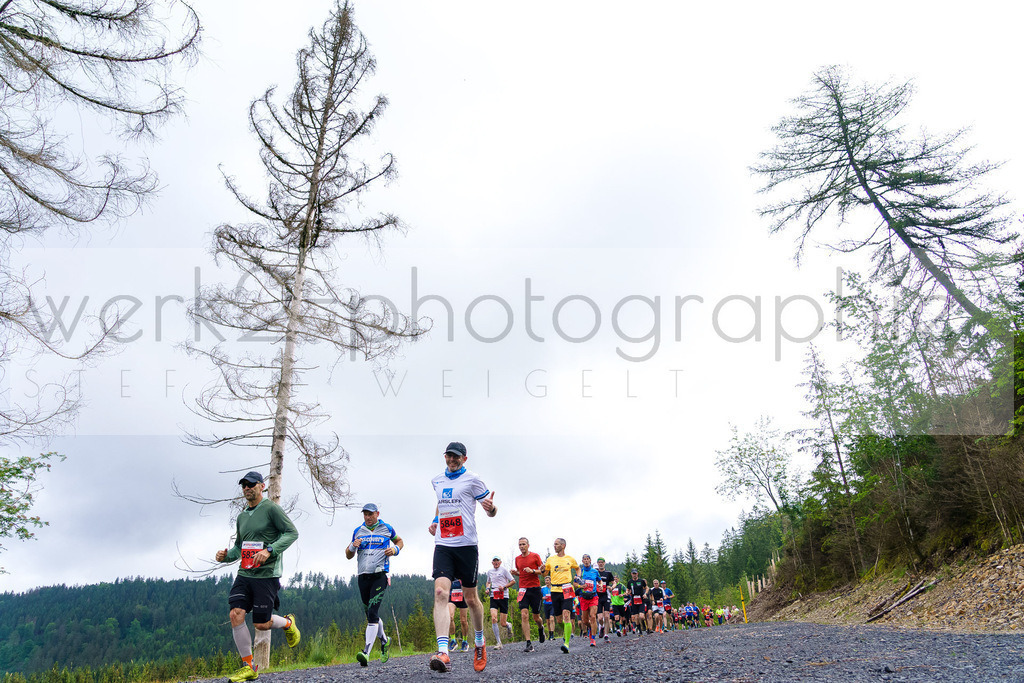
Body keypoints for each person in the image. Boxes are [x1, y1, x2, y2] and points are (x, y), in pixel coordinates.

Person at [215, 471, 301, 682]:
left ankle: (288, 623)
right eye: (244, 485)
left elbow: (292, 533)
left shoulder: (271, 508)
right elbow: (239, 547)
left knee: (261, 624)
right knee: (236, 614)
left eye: (251, 484)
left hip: (267, 574)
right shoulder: (242, 516)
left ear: (261, 486)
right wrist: (225, 557)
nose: (247, 488)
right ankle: (249, 666)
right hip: (245, 573)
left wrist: (269, 550)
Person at [427, 441, 496, 673]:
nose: (452, 460)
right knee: (440, 592)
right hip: (444, 545)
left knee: (471, 599)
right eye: (449, 456)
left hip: (466, 545)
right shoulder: (436, 480)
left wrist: (491, 508)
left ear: (464, 459)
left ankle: (479, 642)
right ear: (444, 456)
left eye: (457, 457)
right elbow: (441, 503)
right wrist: (436, 521)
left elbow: (492, 510)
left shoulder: (473, 480)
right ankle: (443, 652)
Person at [345, 502, 404, 666]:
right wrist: (352, 546)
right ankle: (384, 641)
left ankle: (366, 653)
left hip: (379, 575)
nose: (368, 517)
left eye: (370, 514)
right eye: (365, 514)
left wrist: (395, 550)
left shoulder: (387, 528)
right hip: (363, 577)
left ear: (377, 514)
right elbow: (348, 555)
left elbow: (399, 541)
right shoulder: (358, 531)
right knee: (370, 615)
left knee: (372, 613)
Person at [543, 537, 579, 653]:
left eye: (557, 544)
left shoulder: (570, 559)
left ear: (563, 546)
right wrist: (542, 569)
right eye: (554, 544)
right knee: (559, 620)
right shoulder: (550, 559)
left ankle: (566, 643)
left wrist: (578, 576)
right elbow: (545, 574)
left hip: (567, 588)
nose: (554, 546)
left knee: (566, 615)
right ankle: (566, 632)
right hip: (554, 590)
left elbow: (578, 569)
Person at [511, 537, 546, 652]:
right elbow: (521, 573)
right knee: (524, 615)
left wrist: (533, 571)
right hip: (523, 590)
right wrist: (516, 573)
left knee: (536, 618)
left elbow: (543, 572)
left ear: (528, 545)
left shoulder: (535, 556)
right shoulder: (517, 559)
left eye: (523, 544)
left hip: (535, 589)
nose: (521, 546)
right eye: (520, 544)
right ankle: (528, 643)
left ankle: (541, 628)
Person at [485, 556, 515, 648]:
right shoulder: (490, 571)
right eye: (494, 561)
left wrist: (505, 587)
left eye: (497, 561)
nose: (496, 562)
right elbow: (488, 582)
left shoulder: (504, 570)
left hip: (503, 596)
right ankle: (499, 642)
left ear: (500, 562)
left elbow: (513, 581)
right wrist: (487, 588)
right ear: (492, 563)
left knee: (502, 623)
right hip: (494, 595)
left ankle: (508, 625)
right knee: (494, 618)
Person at [577, 554, 601, 647]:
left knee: (593, 616)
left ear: (590, 561)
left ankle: (593, 639)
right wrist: (580, 586)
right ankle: (591, 628)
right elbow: (575, 583)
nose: (586, 561)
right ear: (582, 561)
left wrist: (601, 585)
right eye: (584, 559)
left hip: (593, 597)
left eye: (588, 559)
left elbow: (599, 580)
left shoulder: (595, 571)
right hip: (583, 598)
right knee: (585, 620)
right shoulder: (580, 572)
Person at [447, 580, 470, 652]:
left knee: (463, 620)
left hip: (463, 596)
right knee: (450, 617)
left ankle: (465, 641)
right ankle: (453, 641)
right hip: (452, 595)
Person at [594, 558, 614, 642]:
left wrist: (612, 587)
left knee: (606, 616)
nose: (601, 564)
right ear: (597, 563)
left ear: (604, 563)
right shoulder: (595, 573)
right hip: (597, 596)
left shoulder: (608, 573)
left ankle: (606, 635)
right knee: (599, 618)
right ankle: (601, 627)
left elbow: (614, 582)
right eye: (599, 562)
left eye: (602, 562)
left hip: (606, 596)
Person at [625, 569, 648, 636]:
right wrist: (627, 592)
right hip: (634, 600)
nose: (634, 575)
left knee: (641, 616)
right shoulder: (630, 582)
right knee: (636, 618)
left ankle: (644, 626)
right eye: (633, 573)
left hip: (641, 600)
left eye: (635, 573)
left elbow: (647, 588)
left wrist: (645, 594)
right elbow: (628, 589)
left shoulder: (641, 581)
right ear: (631, 574)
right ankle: (640, 630)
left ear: (637, 574)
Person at [541, 576, 555, 640]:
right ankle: (550, 633)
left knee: (552, 618)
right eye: (546, 580)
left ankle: (552, 634)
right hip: (546, 604)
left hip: (553, 604)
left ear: (550, 581)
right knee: (548, 620)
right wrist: (542, 598)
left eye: (548, 580)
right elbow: (539, 596)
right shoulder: (543, 588)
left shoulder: (553, 588)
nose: (547, 581)